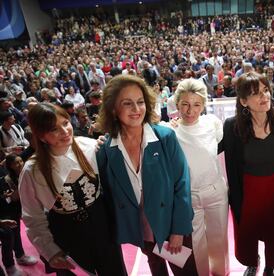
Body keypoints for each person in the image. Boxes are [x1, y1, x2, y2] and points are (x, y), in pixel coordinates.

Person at [95, 74, 197, 276]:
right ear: (114, 109)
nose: (136, 109)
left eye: (140, 102)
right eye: (127, 103)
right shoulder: (107, 148)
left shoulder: (165, 137)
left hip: (171, 224)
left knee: (186, 272)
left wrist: (178, 230)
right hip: (141, 228)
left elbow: (181, 184)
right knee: (156, 268)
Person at [19, 103, 126, 276]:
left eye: (65, 123)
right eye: (54, 129)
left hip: (102, 223)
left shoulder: (89, 146)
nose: (64, 131)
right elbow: (33, 217)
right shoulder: (32, 171)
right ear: (41, 135)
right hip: (66, 233)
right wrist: (50, 251)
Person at [219, 71, 274, 276]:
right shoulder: (232, 127)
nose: (265, 96)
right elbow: (222, 159)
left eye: (266, 90)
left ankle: (270, 267)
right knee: (248, 233)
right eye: (256, 93)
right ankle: (252, 262)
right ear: (243, 101)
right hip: (248, 191)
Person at [166, 78, 229, 276]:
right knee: (197, 242)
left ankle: (221, 272)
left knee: (219, 238)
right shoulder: (170, 131)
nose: (190, 110)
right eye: (184, 104)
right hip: (189, 196)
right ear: (177, 105)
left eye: (196, 105)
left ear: (203, 105)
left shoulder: (213, 123)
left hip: (216, 191)